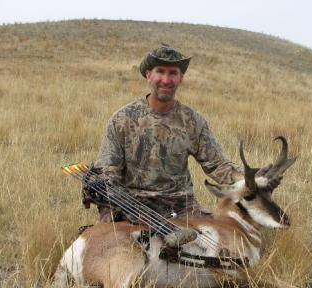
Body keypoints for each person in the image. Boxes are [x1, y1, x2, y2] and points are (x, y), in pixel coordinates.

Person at [83, 45, 277, 226]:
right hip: (133, 207)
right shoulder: (122, 119)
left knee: (225, 238)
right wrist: (107, 211)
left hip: (181, 206)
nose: (166, 80)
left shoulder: (192, 121)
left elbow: (217, 165)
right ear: (148, 75)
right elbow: (107, 172)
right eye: (160, 71)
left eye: (173, 73)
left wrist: (251, 179)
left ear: (180, 78)